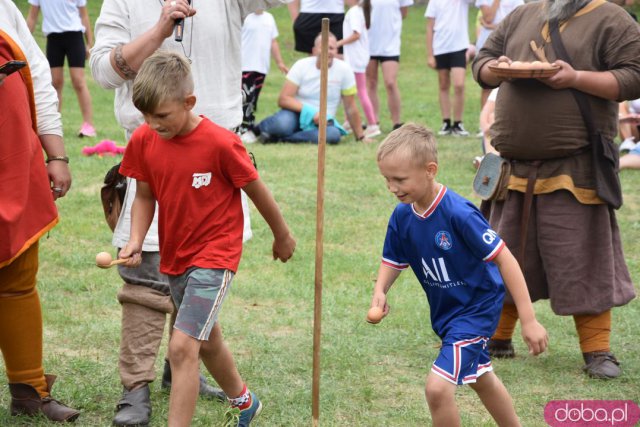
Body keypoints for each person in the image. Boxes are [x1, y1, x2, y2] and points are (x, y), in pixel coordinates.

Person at [90, 0, 289, 425]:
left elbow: (255, 188)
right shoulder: (145, 138)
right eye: (147, 117)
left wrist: (282, 234)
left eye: (161, 116)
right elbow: (144, 195)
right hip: (176, 253)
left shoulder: (220, 144)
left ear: (188, 102)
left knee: (183, 347)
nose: (154, 124)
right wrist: (137, 239)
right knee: (207, 338)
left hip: (214, 255)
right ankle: (244, 400)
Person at [472, 0, 640, 378]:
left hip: (575, 169)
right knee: (505, 253)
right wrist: (495, 70)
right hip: (512, 170)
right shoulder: (521, 14)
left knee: (582, 258)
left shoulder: (611, 19)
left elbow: (633, 77)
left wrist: (575, 78)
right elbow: (482, 61)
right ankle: (496, 337)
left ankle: (597, 351)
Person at [370, 123, 548, 426]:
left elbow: (505, 259)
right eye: (387, 179)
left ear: (430, 169)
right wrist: (380, 290)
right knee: (481, 377)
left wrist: (529, 319)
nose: (392, 187)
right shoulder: (402, 216)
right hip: (448, 314)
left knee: (437, 389)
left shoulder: (459, 213)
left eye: (399, 179)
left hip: (476, 310)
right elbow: (393, 258)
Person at [0, 0, 78, 422]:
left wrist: (57, 153)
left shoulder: (5, 10)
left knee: (17, 277)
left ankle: (29, 390)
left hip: (12, 161)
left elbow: (38, 79)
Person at [258, 32, 372, 144]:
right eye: (323, 47)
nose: (327, 51)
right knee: (281, 125)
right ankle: (256, 129)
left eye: (331, 48)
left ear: (337, 51)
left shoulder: (345, 70)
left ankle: (280, 139)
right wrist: (312, 113)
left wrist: (361, 137)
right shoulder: (301, 65)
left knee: (333, 135)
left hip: (323, 122)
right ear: (313, 51)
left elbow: (350, 107)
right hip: (296, 114)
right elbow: (284, 99)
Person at [26, 0, 96, 137]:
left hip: (74, 36)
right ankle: (53, 126)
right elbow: (32, 16)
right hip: (53, 39)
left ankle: (88, 126)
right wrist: (23, 41)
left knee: (78, 81)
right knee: (55, 83)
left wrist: (89, 43)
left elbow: (84, 16)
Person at [425, 0, 475, 137]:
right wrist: (430, 54)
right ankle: (446, 122)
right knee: (443, 84)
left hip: (459, 47)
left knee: (459, 85)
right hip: (441, 47)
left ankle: (458, 123)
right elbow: (429, 27)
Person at [239, 9, 288, 144]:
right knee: (246, 98)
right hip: (245, 65)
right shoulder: (245, 16)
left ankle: (249, 127)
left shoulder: (269, 18)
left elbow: (273, 42)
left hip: (261, 67)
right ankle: (242, 128)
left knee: (254, 99)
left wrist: (280, 63)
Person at [366, 0, 413, 131]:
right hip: (369, 42)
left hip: (390, 43)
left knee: (390, 82)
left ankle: (396, 122)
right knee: (371, 82)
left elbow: (404, 13)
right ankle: (373, 121)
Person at [337, 0, 381, 138]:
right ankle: (348, 121)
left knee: (361, 91)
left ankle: (373, 124)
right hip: (356, 57)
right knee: (348, 90)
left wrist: (338, 43)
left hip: (356, 59)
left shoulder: (355, 12)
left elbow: (357, 34)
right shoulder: (357, 11)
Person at [474, 0, 524, 111]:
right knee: (487, 85)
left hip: (510, 42)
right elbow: (488, 18)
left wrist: (493, 26)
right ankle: (484, 124)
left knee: (508, 84)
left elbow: (518, 22)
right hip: (488, 45)